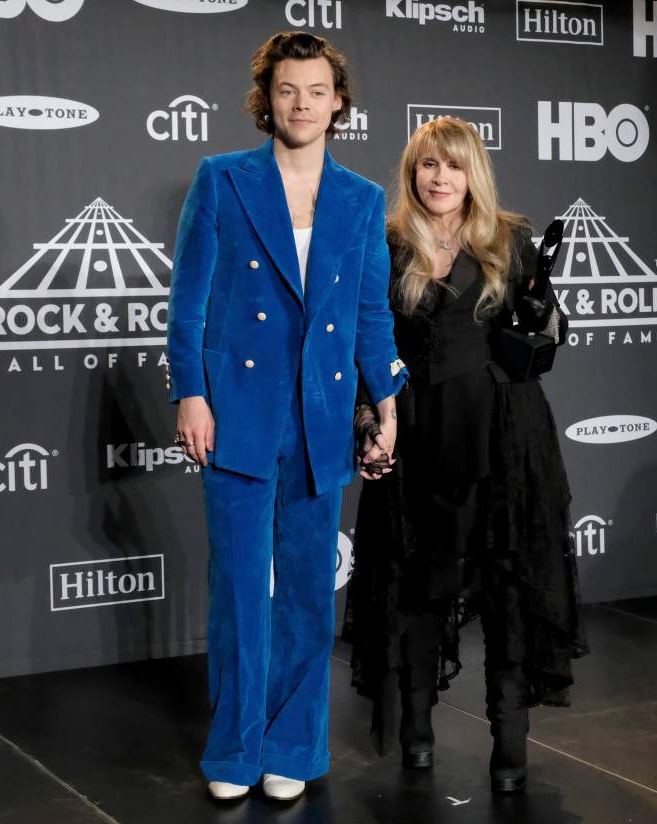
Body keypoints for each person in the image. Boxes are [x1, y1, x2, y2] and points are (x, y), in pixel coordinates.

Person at [166, 31, 406, 802]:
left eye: (316, 91)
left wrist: (386, 404)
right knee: (241, 586)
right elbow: (187, 302)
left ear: (339, 103)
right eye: (287, 90)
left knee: (306, 589)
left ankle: (294, 748)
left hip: (321, 417)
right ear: (266, 100)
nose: (301, 104)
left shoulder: (361, 200)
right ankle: (235, 750)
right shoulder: (222, 179)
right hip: (236, 411)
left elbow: (370, 314)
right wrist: (191, 393)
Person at [343, 117, 587, 794]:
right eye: (428, 164)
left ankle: (509, 747)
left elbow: (548, 339)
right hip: (415, 436)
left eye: (452, 165)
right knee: (418, 586)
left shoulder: (510, 239)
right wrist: (367, 422)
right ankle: (416, 735)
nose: (440, 177)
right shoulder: (386, 243)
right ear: (411, 172)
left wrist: (543, 311)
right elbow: (365, 345)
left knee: (508, 587)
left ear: (472, 173)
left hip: (501, 438)